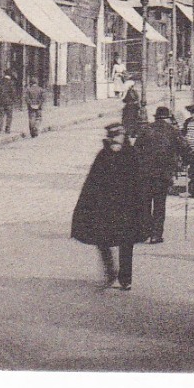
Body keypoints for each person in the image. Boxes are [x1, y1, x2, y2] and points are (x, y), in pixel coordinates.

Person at [69, 124, 145, 290]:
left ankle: (125, 279)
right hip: (106, 208)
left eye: (119, 137)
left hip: (127, 207)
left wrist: (141, 205)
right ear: (109, 139)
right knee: (102, 239)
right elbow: (91, 183)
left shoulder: (131, 155)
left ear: (124, 137)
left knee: (126, 242)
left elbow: (139, 182)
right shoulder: (102, 156)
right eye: (113, 137)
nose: (116, 141)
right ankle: (110, 271)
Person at [136, 106, 185, 243]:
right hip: (163, 174)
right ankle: (156, 235)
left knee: (145, 204)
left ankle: (144, 232)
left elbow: (136, 149)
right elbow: (184, 147)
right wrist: (187, 161)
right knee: (159, 204)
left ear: (156, 117)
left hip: (145, 173)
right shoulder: (172, 131)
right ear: (168, 117)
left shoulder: (146, 129)